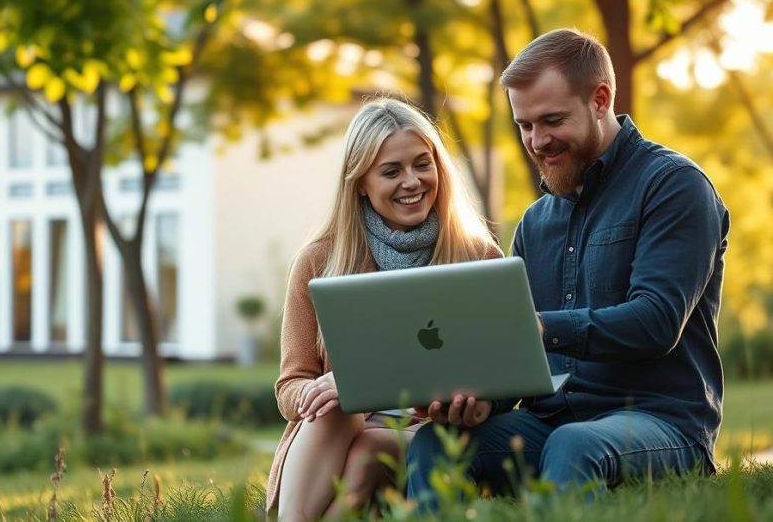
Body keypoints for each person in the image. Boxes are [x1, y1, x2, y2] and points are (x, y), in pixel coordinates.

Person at [407, 28, 730, 507]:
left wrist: (541, 327)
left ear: (600, 100)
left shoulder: (674, 187)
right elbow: (520, 361)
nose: (537, 141)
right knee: (435, 443)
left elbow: (657, 321)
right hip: (552, 422)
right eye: (524, 125)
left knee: (573, 443)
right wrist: (475, 402)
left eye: (551, 120)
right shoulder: (536, 223)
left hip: (661, 422)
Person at [266, 97, 502, 521]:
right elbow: (290, 386)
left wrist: (366, 381)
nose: (412, 181)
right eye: (391, 171)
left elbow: (500, 375)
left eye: (421, 164)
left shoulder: (478, 257)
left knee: (371, 445)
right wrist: (334, 389)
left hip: (429, 436)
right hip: (330, 442)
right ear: (360, 182)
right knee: (339, 407)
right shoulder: (320, 261)